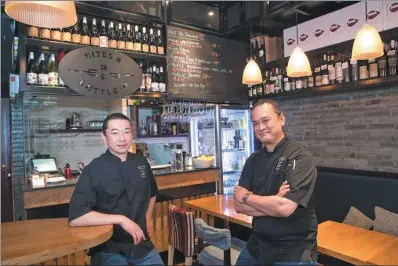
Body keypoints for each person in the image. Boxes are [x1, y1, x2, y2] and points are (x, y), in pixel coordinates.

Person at [68, 113, 164, 266]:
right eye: (115, 133)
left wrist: (148, 217)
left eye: (126, 132)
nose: (122, 138)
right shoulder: (93, 170)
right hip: (107, 247)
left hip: (141, 244)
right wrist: (121, 220)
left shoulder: (140, 161)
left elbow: (152, 192)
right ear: (104, 137)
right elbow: (76, 218)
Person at [233, 99, 318, 266]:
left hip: (293, 250)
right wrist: (272, 203)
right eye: (256, 123)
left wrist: (248, 197)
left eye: (265, 121)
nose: (260, 127)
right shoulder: (253, 160)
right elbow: (238, 206)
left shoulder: (299, 157)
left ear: (281, 119)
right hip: (258, 245)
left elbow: (284, 208)